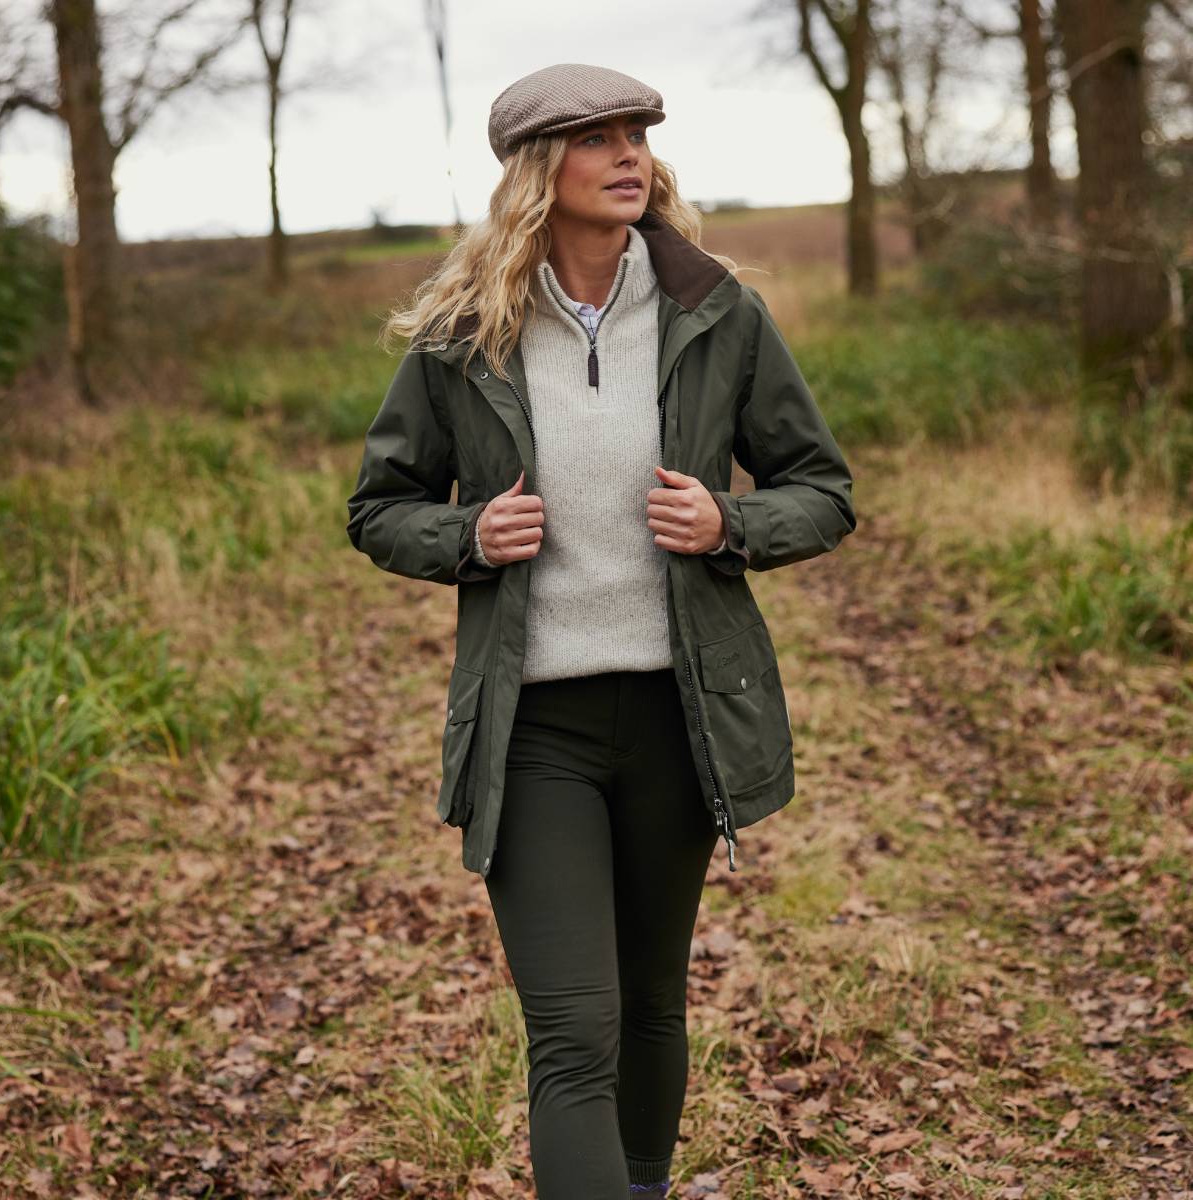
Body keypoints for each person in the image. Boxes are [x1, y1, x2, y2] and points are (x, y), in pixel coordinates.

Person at [346, 62, 856, 1200]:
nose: (629, 154)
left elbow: (821, 488)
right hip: (533, 729)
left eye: (637, 134)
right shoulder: (460, 336)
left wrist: (731, 520)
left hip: (679, 717)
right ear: (540, 171)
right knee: (575, 1025)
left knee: (648, 1008)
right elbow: (377, 510)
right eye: (598, 138)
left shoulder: (714, 310)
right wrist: (469, 537)